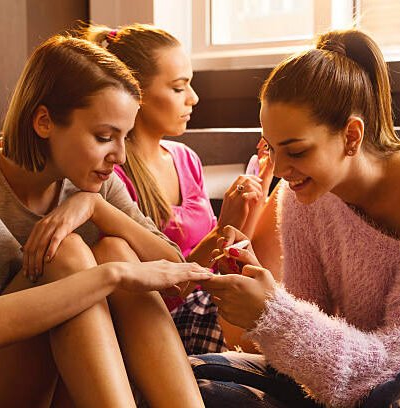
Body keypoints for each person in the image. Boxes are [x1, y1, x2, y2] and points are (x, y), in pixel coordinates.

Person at [192, 29, 400, 407]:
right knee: (187, 374)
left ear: (351, 135)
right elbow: (303, 349)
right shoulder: (303, 195)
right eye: (272, 150)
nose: (280, 169)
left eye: (295, 151)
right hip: (354, 383)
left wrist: (271, 313)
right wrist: (258, 300)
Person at [0, 34, 213, 408]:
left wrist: (97, 208)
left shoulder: (96, 178)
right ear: (44, 121)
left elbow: (171, 266)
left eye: (125, 138)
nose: (119, 155)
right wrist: (112, 276)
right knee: (67, 255)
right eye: (103, 136)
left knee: (115, 246)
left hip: (69, 378)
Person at [84, 24, 273, 355]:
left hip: (208, 301)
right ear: (135, 94)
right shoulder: (113, 178)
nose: (193, 98)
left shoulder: (186, 160)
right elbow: (154, 292)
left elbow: (223, 258)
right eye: (177, 87)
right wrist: (216, 234)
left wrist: (258, 193)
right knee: (264, 325)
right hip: (160, 323)